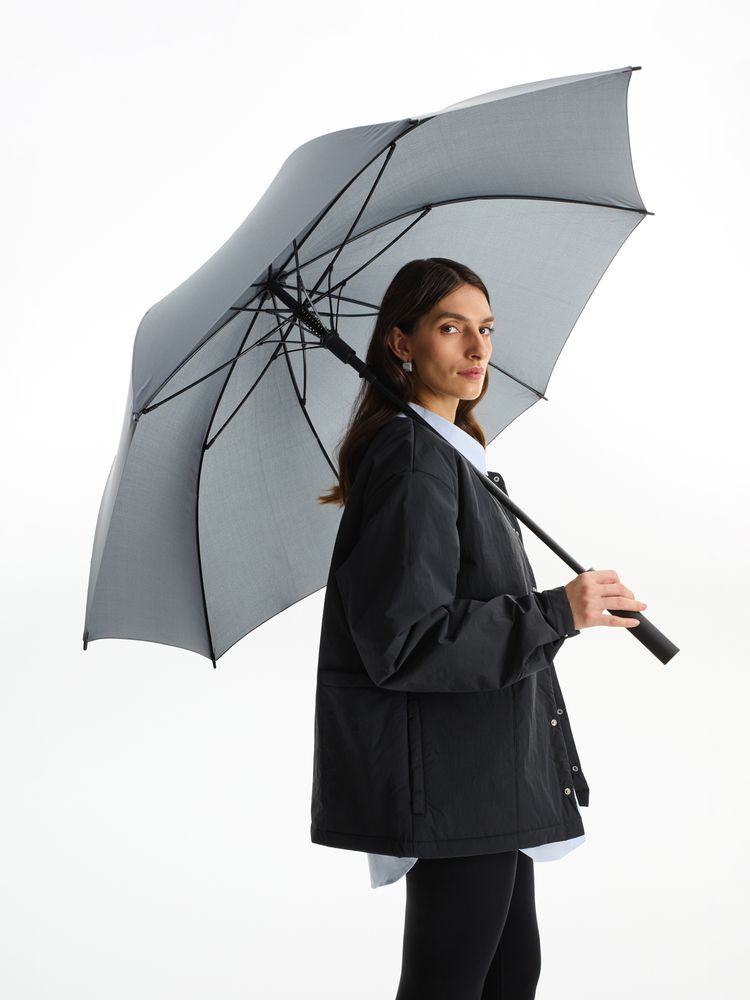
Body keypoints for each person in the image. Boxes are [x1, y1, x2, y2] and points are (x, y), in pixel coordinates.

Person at [311, 257, 646, 999]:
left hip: (484, 771)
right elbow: (408, 641)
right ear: (402, 343)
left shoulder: (449, 456)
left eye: (485, 329)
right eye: (450, 327)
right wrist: (558, 611)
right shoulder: (414, 463)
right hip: (455, 778)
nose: (477, 349)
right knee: (454, 985)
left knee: (508, 976)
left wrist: (565, 609)